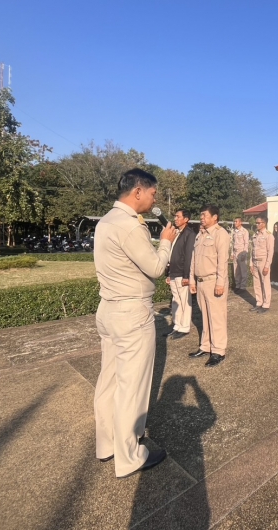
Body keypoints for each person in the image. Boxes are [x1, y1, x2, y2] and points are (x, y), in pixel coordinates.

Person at [93, 168, 176, 477]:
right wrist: (165, 241)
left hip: (109, 309)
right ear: (138, 191)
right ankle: (129, 456)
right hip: (131, 313)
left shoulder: (106, 221)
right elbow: (155, 267)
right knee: (132, 387)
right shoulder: (130, 225)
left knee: (110, 380)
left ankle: (107, 445)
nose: (154, 199)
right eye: (153, 193)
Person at [188, 205, 231, 367]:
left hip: (214, 281)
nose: (202, 218)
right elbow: (194, 259)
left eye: (205, 215)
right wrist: (192, 280)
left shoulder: (220, 234)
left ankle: (218, 351)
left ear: (215, 217)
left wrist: (220, 283)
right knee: (205, 316)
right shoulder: (200, 234)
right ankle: (206, 346)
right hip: (201, 282)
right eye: (201, 215)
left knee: (217, 317)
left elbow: (222, 261)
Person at [167, 209, 195, 341]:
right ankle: (177, 325)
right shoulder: (177, 233)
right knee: (176, 301)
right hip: (174, 271)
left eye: (178, 217)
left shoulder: (189, 234)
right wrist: (168, 273)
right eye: (175, 217)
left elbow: (189, 256)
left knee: (184, 301)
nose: (175, 219)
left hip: (182, 273)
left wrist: (186, 276)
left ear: (186, 219)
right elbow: (172, 253)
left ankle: (184, 327)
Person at [250, 215, 274, 313]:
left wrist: (267, 266)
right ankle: (259, 302)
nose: (257, 224)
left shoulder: (268, 235)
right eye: (256, 223)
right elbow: (252, 250)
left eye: (258, 223)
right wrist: (251, 263)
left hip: (263, 261)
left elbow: (270, 252)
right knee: (257, 284)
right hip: (255, 261)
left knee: (265, 283)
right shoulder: (255, 234)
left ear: (264, 223)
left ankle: (266, 304)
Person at [231, 217, 250, 292]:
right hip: (235, 252)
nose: (235, 223)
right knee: (236, 270)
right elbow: (233, 243)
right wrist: (232, 253)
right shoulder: (234, 231)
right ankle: (237, 285)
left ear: (240, 222)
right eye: (234, 221)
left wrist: (244, 253)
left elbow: (246, 243)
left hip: (241, 252)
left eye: (236, 221)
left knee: (243, 270)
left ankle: (243, 286)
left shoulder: (244, 231)